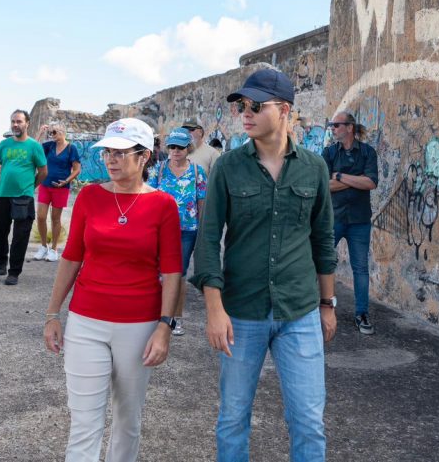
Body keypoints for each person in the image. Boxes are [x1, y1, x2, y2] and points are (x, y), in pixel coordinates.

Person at [192, 68, 336, 462]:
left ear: (285, 109)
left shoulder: (314, 169)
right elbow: (207, 241)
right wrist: (214, 309)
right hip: (241, 313)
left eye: (256, 105)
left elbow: (323, 241)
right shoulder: (227, 167)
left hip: (300, 311)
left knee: (308, 420)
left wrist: (328, 304)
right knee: (233, 417)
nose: (246, 113)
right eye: (242, 106)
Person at [43, 118, 181, 462]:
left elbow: (173, 271)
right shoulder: (89, 196)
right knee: (84, 421)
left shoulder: (163, 205)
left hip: (139, 325)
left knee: (127, 421)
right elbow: (72, 256)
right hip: (86, 321)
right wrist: (52, 314)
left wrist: (165, 326)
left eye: (121, 152)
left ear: (144, 156)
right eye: (107, 152)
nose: (111, 159)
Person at [147, 127, 206, 337]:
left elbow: (202, 203)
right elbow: (148, 199)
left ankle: (176, 318)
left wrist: (203, 229)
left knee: (178, 274)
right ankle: (156, 314)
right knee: (154, 272)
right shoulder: (158, 170)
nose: (175, 150)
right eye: (172, 146)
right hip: (159, 229)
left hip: (187, 231)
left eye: (180, 147)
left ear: (187, 148)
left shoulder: (198, 172)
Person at [323, 111, 379, 335]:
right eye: (332, 125)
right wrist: (355, 181)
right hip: (333, 217)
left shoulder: (367, 153)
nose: (333, 128)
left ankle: (362, 313)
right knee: (323, 263)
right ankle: (319, 308)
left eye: (336, 125)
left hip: (359, 220)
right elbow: (324, 185)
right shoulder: (328, 153)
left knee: (360, 269)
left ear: (349, 127)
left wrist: (340, 177)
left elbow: (371, 182)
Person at [0, 110, 47, 285]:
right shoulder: (4, 145)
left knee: (21, 235)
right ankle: (1, 261)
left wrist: (30, 186)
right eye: (13, 121)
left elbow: (43, 172)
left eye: (19, 121)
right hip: (2, 195)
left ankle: (14, 272)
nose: (15, 125)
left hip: (23, 197)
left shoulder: (34, 146)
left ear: (27, 123)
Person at [34, 121, 82, 261]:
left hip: (61, 189)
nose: (51, 135)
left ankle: (54, 250)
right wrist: (40, 133)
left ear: (63, 132)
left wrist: (66, 181)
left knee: (55, 219)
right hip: (45, 185)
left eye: (54, 132)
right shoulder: (49, 146)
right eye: (50, 132)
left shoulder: (71, 149)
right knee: (41, 217)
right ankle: (44, 247)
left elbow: (77, 169)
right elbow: (33, 148)